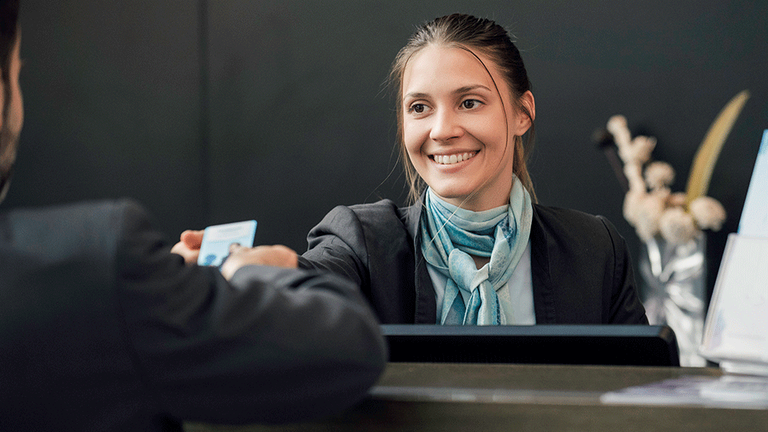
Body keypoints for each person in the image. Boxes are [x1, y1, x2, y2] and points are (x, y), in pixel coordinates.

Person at [0, 1, 386, 430]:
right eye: (18, 73)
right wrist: (251, 271)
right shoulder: (100, 262)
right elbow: (347, 348)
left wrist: (161, 292)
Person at [175, 14, 647, 326]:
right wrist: (268, 269)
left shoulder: (595, 251)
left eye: (469, 102)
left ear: (523, 112)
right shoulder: (360, 240)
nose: (442, 130)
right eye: (420, 107)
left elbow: (645, 397)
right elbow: (311, 285)